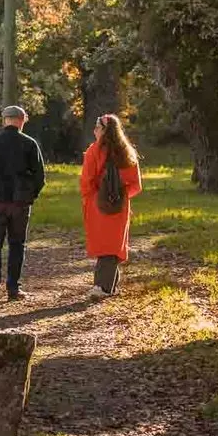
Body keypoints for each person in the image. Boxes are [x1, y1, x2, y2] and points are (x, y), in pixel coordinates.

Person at [0, 105, 46, 304]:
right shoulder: (30, 143)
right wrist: (31, 195)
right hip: (19, 202)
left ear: (4, 120)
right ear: (22, 120)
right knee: (16, 244)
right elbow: (40, 176)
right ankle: (13, 288)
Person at [79, 114, 143, 298]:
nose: (94, 131)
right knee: (114, 245)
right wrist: (121, 198)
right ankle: (110, 286)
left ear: (104, 131)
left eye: (97, 128)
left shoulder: (94, 151)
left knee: (104, 246)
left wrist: (93, 199)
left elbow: (86, 182)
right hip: (120, 206)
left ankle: (102, 288)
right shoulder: (127, 152)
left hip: (98, 205)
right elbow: (136, 185)